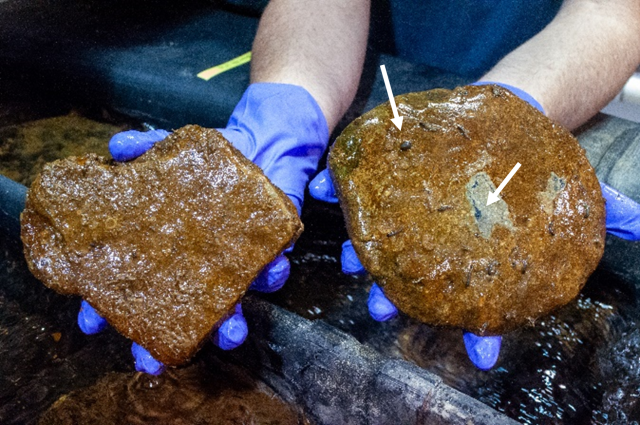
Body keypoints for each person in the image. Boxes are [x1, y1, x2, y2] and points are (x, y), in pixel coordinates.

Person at [81, 0, 640, 373]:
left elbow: (613, 15)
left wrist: (509, 118)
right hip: (374, 77)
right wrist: (290, 95)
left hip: (540, 61)